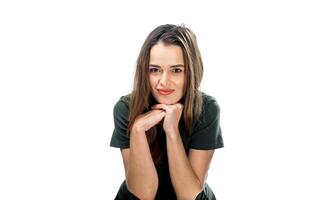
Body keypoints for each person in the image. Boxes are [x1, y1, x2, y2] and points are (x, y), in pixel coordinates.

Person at [110, 24, 224, 200]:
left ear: (191, 72)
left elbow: (188, 195)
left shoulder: (207, 109)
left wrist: (172, 130)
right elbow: (142, 194)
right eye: (155, 70)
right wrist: (138, 130)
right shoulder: (125, 108)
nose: (164, 81)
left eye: (176, 70)